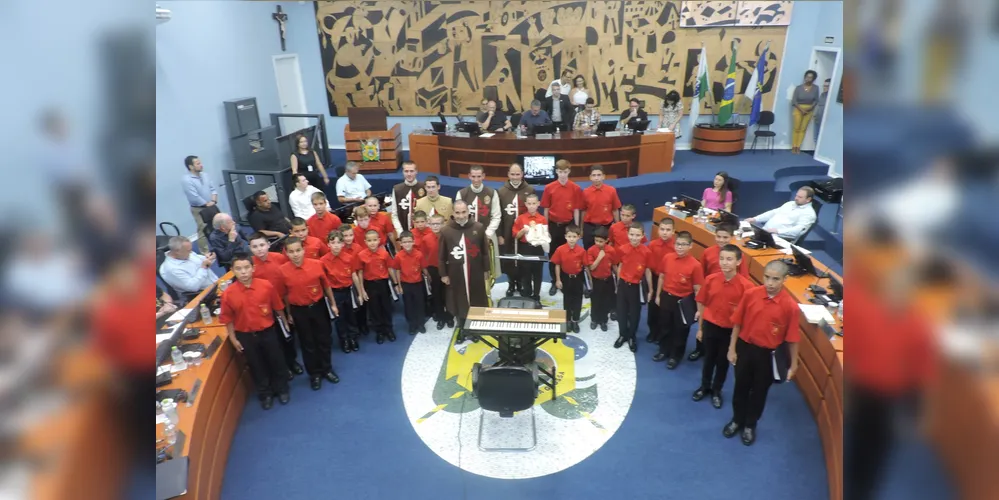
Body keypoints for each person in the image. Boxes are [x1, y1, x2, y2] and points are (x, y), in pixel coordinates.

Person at [723, 260, 800, 446]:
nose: (770, 283)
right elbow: (737, 323)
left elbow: (792, 339)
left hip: (768, 356)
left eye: (776, 279)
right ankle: (737, 419)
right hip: (745, 348)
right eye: (767, 277)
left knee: (759, 392)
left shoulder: (790, 307)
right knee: (740, 386)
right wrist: (731, 348)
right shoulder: (750, 295)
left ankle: (750, 424)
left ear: (785, 279)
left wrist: (794, 364)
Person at [220, 253, 291, 409]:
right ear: (232, 270)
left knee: (276, 360)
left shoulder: (266, 285)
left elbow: (278, 306)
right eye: (238, 269)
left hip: (268, 331)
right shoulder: (228, 294)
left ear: (253, 268)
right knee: (256, 365)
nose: (243, 272)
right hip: (246, 335)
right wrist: (233, 339)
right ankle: (265, 393)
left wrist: (285, 322)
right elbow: (228, 319)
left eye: (246, 268)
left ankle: (282, 389)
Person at [693, 244, 753, 409]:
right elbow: (703, 304)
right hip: (710, 326)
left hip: (729, 331)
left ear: (739, 262)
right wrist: (700, 328)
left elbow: (745, 317)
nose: (725, 263)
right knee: (708, 359)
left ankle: (716, 390)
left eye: (729, 259)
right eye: (722, 259)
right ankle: (704, 386)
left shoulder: (747, 288)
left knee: (722, 362)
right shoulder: (711, 279)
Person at [279, 237, 339, 391]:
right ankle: (315, 374)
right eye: (291, 252)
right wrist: (289, 313)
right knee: (308, 344)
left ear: (303, 250)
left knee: (324, 339)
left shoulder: (317, 264)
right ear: (286, 253)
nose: (295, 254)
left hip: (318, 307)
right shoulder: (282, 271)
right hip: (298, 310)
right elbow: (285, 294)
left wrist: (333, 304)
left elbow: (326, 286)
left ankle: (327, 369)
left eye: (298, 250)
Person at [248, 232, 301, 376]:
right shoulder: (250, 266)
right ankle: (284, 367)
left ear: (268, 245)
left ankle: (292, 361)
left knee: (289, 334)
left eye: (262, 245)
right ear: (250, 248)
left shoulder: (280, 258)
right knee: (275, 341)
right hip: (265, 309)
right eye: (255, 247)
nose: (259, 249)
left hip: (284, 303)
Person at [438, 200, 490, 343]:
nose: (461, 216)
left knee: (476, 299)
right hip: (456, 274)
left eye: (463, 212)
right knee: (458, 300)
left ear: (468, 211)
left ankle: (474, 329)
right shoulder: (446, 231)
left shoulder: (478, 228)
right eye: (457, 212)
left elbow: (485, 251)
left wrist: (486, 270)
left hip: (476, 272)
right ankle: (462, 329)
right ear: (453, 213)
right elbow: (441, 255)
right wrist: (443, 274)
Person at [653, 231, 705, 369]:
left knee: (680, 331)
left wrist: (699, 310)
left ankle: (675, 356)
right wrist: (658, 295)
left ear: (690, 246)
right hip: (666, 297)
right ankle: (663, 350)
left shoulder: (695, 265)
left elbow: (697, 290)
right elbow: (662, 277)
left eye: (683, 244)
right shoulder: (667, 258)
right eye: (677, 244)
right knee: (664, 326)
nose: (680, 247)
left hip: (683, 302)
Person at [541, 160, 583, 296]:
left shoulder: (575, 188)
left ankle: (565, 280)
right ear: (556, 172)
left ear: (569, 171)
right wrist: (546, 227)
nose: (563, 175)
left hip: (569, 226)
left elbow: (576, 209)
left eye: (565, 172)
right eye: (560, 172)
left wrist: (576, 228)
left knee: (568, 254)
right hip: (553, 225)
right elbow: (546, 209)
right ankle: (554, 281)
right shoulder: (549, 188)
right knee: (553, 255)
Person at [611, 223, 653, 353]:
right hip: (623, 285)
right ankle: (623, 334)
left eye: (637, 235)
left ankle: (631, 336)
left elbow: (648, 271)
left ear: (642, 236)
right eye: (632, 235)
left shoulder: (646, 252)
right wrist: (618, 284)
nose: (634, 238)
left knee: (635, 314)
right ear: (628, 235)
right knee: (621, 312)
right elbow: (620, 266)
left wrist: (650, 290)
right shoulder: (622, 249)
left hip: (637, 287)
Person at [320, 230, 361, 354]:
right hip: (335, 293)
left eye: (339, 242)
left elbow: (354, 275)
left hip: (348, 290)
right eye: (333, 242)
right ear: (328, 245)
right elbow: (325, 282)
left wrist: (359, 293)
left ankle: (353, 338)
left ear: (343, 244)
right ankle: (344, 340)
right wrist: (330, 301)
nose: (336, 245)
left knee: (351, 315)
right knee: (339, 318)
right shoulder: (323, 261)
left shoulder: (349, 258)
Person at [497, 163, 534, 296]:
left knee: (523, 260)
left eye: (518, 174)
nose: (515, 177)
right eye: (512, 174)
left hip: (525, 234)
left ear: (522, 174)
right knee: (509, 260)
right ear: (508, 175)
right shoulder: (501, 191)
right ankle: (512, 284)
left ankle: (523, 284)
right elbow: (497, 215)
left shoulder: (529, 189)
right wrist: (500, 235)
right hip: (507, 233)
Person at [356, 229, 397, 344]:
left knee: (386, 307)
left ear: (379, 240)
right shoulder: (361, 255)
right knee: (374, 309)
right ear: (365, 242)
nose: (372, 243)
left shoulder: (384, 253)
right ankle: (379, 331)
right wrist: (362, 290)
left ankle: (389, 329)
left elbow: (389, 268)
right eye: (369, 240)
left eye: (374, 240)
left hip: (383, 283)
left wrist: (395, 283)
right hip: (370, 285)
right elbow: (360, 273)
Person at [512, 193, 548, 301]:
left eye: (534, 203)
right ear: (526, 204)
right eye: (529, 204)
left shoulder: (542, 219)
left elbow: (546, 236)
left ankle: (536, 295)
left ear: (538, 204)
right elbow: (516, 236)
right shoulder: (520, 218)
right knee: (525, 272)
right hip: (525, 247)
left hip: (538, 248)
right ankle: (527, 293)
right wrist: (523, 230)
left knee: (538, 272)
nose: (532, 206)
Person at [745, 187, 817, 241]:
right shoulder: (790, 204)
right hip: (765, 232)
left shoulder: (809, 214)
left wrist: (778, 231)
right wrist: (755, 219)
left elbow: (798, 231)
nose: (796, 198)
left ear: (808, 199)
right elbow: (773, 213)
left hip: (779, 238)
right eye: (796, 195)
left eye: (800, 197)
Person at [646, 218, 676, 344]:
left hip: (668, 281)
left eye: (668, 230)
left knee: (664, 311)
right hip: (654, 278)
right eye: (662, 229)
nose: (665, 232)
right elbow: (647, 265)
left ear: (673, 231)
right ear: (658, 230)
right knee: (652, 307)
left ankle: (662, 334)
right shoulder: (652, 245)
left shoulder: (676, 246)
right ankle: (652, 332)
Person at [391, 231, 427, 335]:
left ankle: (421, 323)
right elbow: (397, 270)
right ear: (401, 244)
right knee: (408, 305)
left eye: (409, 242)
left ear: (413, 242)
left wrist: (428, 279)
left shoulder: (419, 254)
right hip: (405, 284)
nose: (407, 244)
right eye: (404, 242)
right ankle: (412, 324)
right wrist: (399, 285)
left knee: (420, 304)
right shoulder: (398, 256)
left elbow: (423, 268)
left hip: (418, 283)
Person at [552, 225, 586, 332]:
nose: (571, 239)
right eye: (569, 236)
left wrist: (588, 282)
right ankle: (567, 321)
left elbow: (585, 266)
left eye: (574, 236)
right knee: (567, 300)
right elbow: (557, 264)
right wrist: (558, 279)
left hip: (578, 278)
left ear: (578, 237)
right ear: (565, 237)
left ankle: (575, 321)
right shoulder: (560, 250)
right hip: (566, 278)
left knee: (577, 300)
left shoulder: (582, 251)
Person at [423, 214, 453, 330]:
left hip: (447, 268)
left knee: (448, 294)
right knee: (437, 294)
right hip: (434, 269)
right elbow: (424, 256)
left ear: (443, 224)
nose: (435, 226)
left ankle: (449, 316)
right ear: (429, 224)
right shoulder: (426, 239)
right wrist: (427, 272)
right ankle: (440, 317)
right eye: (432, 224)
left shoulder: (449, 237)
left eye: (438, 223)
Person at [182, 155, 217, 253]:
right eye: (198, 164)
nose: (201, 165)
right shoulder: (186, 180)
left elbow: (213, 189)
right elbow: (194, 197)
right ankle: (205, 253)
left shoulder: (205, 175)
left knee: (219, 224)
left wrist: (213, 201)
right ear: (191, 167)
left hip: (211, 205)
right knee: (203, 229)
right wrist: (207, 204)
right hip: (198, 208)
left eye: (200, 163)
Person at [581, 165, 621, 248]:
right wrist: (581, 228)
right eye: (594, 175)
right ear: (590, 177)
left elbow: (615, 210)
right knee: (588, 251)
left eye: (599, 175)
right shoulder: (585, 192)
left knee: (607, 252)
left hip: (606, 226)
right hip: (590, 227)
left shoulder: (611, 191)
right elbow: (583, 211)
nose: (596, 178)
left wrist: (618, 226)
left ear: (603, 176)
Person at [456, 165, 501, 239]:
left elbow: (496, 216)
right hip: (467, 234)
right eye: (473, 176)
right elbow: (458, 216)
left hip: (488, 234)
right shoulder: (461, 193)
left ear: (483, 176)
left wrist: (488, 233)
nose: (476, 180)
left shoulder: (492, 193)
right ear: (469, 176)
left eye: (479, 176)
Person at [585, 227, 616, 331]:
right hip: (596, 280)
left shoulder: (611, 250)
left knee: (605, 302)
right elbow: (591, 267)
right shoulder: (591, 250)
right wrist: (599, 257)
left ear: (606, 240)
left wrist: (618, 278)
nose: (598, 243)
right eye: (596, 240)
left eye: (601, 241)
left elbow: (614, 265)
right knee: (595, 301)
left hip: (607, 279)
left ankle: (603, 320)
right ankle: (594, 319)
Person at [390, 161, 425, 235]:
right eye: (406, 171)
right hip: (404, 231)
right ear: (402, 172)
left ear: (416, 172)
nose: (409, 174)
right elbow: (394, 214)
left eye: (411, 171)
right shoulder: (397, 189)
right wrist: (400, 232)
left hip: (422, 232)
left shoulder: (424, 187)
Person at [791, 70, 820, 153]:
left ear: (813, 79)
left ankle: (798, 146)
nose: (808, 79)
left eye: (810, 77)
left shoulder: (815, 88)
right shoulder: (798, 88)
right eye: (807, 77)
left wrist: (810, 108)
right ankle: (794, 146)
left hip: (809, 110)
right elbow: (794, 101)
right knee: (796, 128)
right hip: (798, 109)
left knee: (803, 129)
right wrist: (802, 109)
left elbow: (816, 100)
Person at [659, 90, 683, 167]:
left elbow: (680, 115)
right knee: (663, 141)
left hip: (674, 123)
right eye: (668, 100)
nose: (669, 102)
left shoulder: (679, 103)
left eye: (671, 101)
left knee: (672, 142)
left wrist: (674, 124)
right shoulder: (663, 102)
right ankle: (663, 158)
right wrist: (659, 124)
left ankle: (671, 160)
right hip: (665, 123)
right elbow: (661, 115)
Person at [813, 78, 831, 143]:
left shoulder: (831, 96)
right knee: (815, 138)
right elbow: (818, 105)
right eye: (824, 85)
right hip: (817, 119)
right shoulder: (822, 94)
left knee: (822, 139)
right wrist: (815, 114)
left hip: (825, 121)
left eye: (827, 86)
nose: (824, 87)